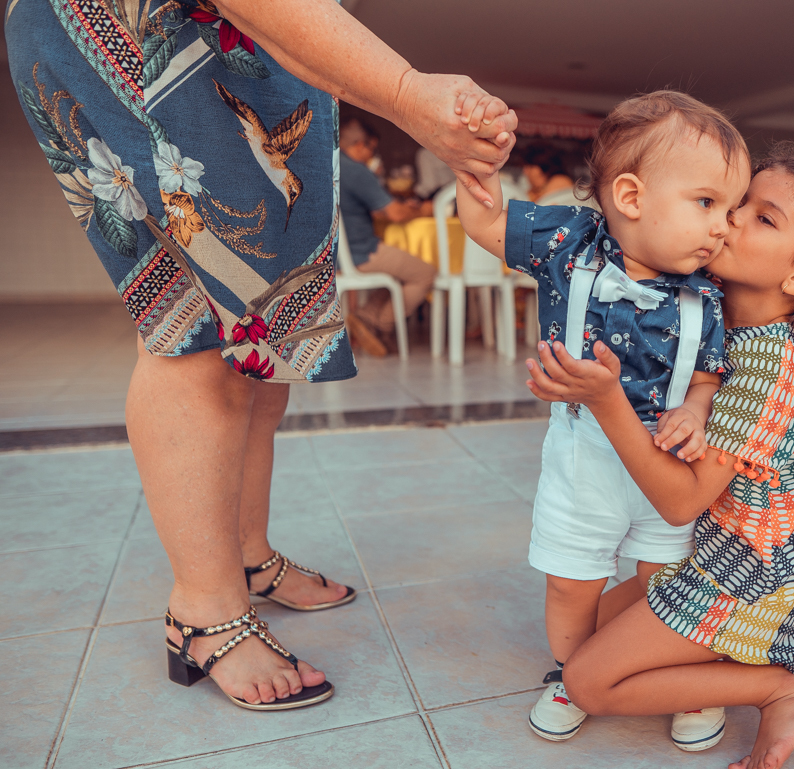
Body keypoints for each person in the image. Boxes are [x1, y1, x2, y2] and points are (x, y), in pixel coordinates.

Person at [6, 0, 515, 711]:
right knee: (202, 332)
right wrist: (404, 91)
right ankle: (204, 612)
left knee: (261, 340)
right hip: (146, 27)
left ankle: (245, 556)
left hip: (229, 41)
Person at [523, 144, 794, 769]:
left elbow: (680, 503)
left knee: (587, 680)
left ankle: (780, 688)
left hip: (745, 574)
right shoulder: (727, 327)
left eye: (763, 218)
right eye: (736, 204)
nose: (729, 220)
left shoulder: (769, 363)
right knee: (583, 630)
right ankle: (714, 668)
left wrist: (604, 398)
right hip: (713, 554)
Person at [457, 90, 749, 744]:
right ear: (631, 197)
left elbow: (706, 376)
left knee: (663, 578)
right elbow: (482, 226)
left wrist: (698, 411)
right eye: (707, 203)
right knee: (573, 579)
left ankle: (675, 668)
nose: (722, 226)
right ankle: (573, 671)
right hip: (584, 451)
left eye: (731, 209)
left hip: (666, 465)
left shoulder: (706, 295)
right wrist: (469, 171)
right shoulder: (567, 239)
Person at [339, 117, 437, 352]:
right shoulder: (356, 170)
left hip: (337, 253)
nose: (373, 156)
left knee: (398, 275)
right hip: (361, 252)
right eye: (372, 149)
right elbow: (394, 213)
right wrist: (423, 210)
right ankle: (377, 323)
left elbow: (377, 210)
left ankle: (363, 318)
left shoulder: (332, 165)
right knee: (425, 273)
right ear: (361, 144)